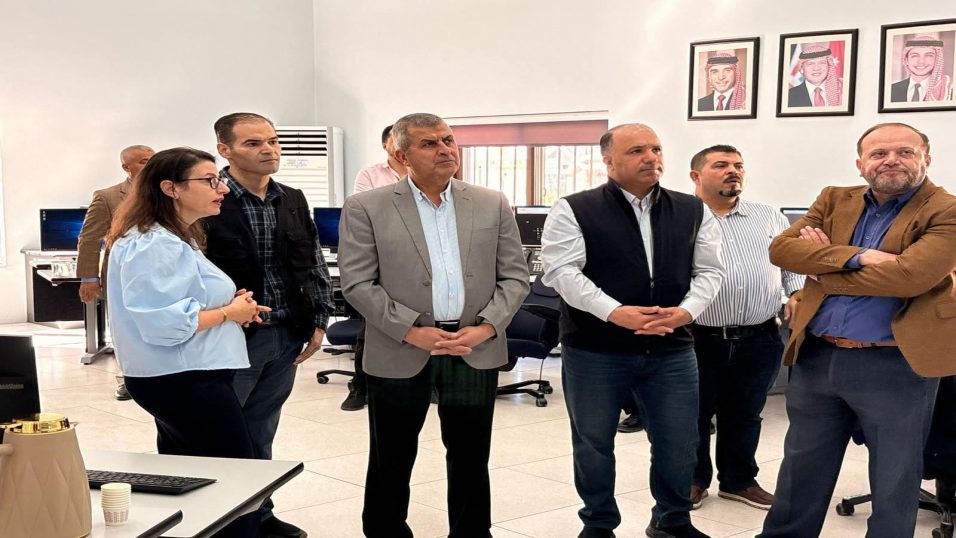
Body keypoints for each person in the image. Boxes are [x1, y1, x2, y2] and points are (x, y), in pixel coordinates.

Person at [759, 122, 956, 538]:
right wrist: (861, 256)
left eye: (905, 152)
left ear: (926, 159)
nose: (891, 161)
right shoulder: (834, 198)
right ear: (860, 162)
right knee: (801, 467)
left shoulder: (946, 209)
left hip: (896, 363)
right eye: (879, 153)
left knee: (894, 477)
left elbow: (910, 277)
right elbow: (782, 249)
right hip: (818, 356)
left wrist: (823, 265)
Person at [338, 112, 529, 538]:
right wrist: (411, 331)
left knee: (470, 455)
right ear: (402, 155)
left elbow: (515, 277)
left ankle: (471, 533)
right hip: (401, 347)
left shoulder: (491, 202)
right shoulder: (367, 206)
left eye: (448, 140)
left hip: (472, 347)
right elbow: (357, 283)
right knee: (391, 455)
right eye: (429, 143)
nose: (444, 149)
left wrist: (486, 327)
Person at [540, 123, 724, 538]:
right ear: (609, 160)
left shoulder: (693, 209)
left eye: (656, 149)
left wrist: (686, 312)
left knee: (679, 441)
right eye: (637, 150)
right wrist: (614, 312)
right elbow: (562, 272)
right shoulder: (574, 209)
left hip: (672, 348)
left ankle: (672, 521)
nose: (651, 158)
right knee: (593, 442)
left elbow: (711, 271)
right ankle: (599, 522)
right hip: (595, 348)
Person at [105, 147, 267, 537]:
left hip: (185, 376)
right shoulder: (154, 242)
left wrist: (231, 306)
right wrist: (230, 313)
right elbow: (162, 323)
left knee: (195, 480)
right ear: (171, 188)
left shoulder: (172, 237)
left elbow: (182, 300)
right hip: (184, 379)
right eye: (210, 181)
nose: (223, 188)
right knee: (233, 484)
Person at [204, 112, 335, 538]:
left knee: (261, 430)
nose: (269, 150)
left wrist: (320, 318)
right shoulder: (209, 199)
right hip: (232, 336)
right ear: (224, 150)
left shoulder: (291, 197)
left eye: (273, 141)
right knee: (223, 434)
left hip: (285, 334)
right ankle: (218, 522)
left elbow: (312, 260)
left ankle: (258, 514)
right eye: (253, 143)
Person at [687, 145, 804, 511]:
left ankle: (738, 481)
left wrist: (797, 292)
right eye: (721, 165)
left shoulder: (768, 216)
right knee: (692, 414)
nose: (733, 171)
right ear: (696, 176)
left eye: (738, 165)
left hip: (759, 335)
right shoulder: (681, 217)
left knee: (746, 412)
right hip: (697, 337)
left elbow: (790, 263)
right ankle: (692, 480)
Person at [76, 144, 154, 401]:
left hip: (162, 271)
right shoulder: (108, 196)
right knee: (125, 329)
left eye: (153, 159)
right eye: (144, 161)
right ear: (126, 167)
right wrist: (89, 278)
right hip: (122, 274)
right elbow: (89, 239)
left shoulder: (170, 190)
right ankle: (127, 379)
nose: (151, 164)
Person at [340, 124, 407, 412]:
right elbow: (364, 211)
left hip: (414, 263)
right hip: (379, 260)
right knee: (371, 327)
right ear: (386, 145)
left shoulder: (427, 174)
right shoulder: (370, 175)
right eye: (396, 140)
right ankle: (360, 386)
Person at [891, 35, 954, 102]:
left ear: (937, 60)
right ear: (906, 60)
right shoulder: (891, 90)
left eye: (929, 56)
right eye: (915, 56)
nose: (921, 61)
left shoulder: (948, 90)